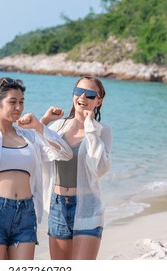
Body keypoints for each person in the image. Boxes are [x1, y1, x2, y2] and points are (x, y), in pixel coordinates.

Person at [0, 77, 72, 260]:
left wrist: (39, 126)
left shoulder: (29, 135)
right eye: (12, 102)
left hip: (26, 213)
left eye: (21, 102)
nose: (18, 107)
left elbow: (65, 153)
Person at [40, 76, 112, 260]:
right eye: (78, 92)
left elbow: (100, 167)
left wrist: (90, 129)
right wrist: (45, 121)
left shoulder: (102, 130)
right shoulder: (59, 126)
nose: (82, 97)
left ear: (99, 100)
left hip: (88, 205)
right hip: (58, 206)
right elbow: (36, 151)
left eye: (89, 94)